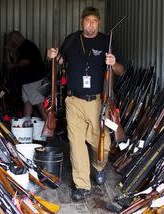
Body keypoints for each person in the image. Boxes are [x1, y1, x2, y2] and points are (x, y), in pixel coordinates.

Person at [47, 6, 125, 201]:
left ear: (99, 22)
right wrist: (53, 57)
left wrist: (113, 61)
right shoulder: (72, 40)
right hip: (73, 100)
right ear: (81, 22)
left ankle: (99, 167)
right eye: (87, 21)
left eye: (94, 21)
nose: (91, 24)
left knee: (104, 144)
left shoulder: (107, 41)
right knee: (76, 143)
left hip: (98, 101)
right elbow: (61, 61)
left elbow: (120, 70)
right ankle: (81, 184)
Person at [5, 31, 47, 120]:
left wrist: (13, 65)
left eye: (13, 41)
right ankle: (27, 122)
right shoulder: (22, 47)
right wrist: (9, 51)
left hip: (33, 79)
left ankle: (49, 125)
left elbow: (25, 61)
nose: (13, 43)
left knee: (38, 101)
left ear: (17, 38)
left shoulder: (27, 46)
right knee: (27, 101)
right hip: (27, 80)